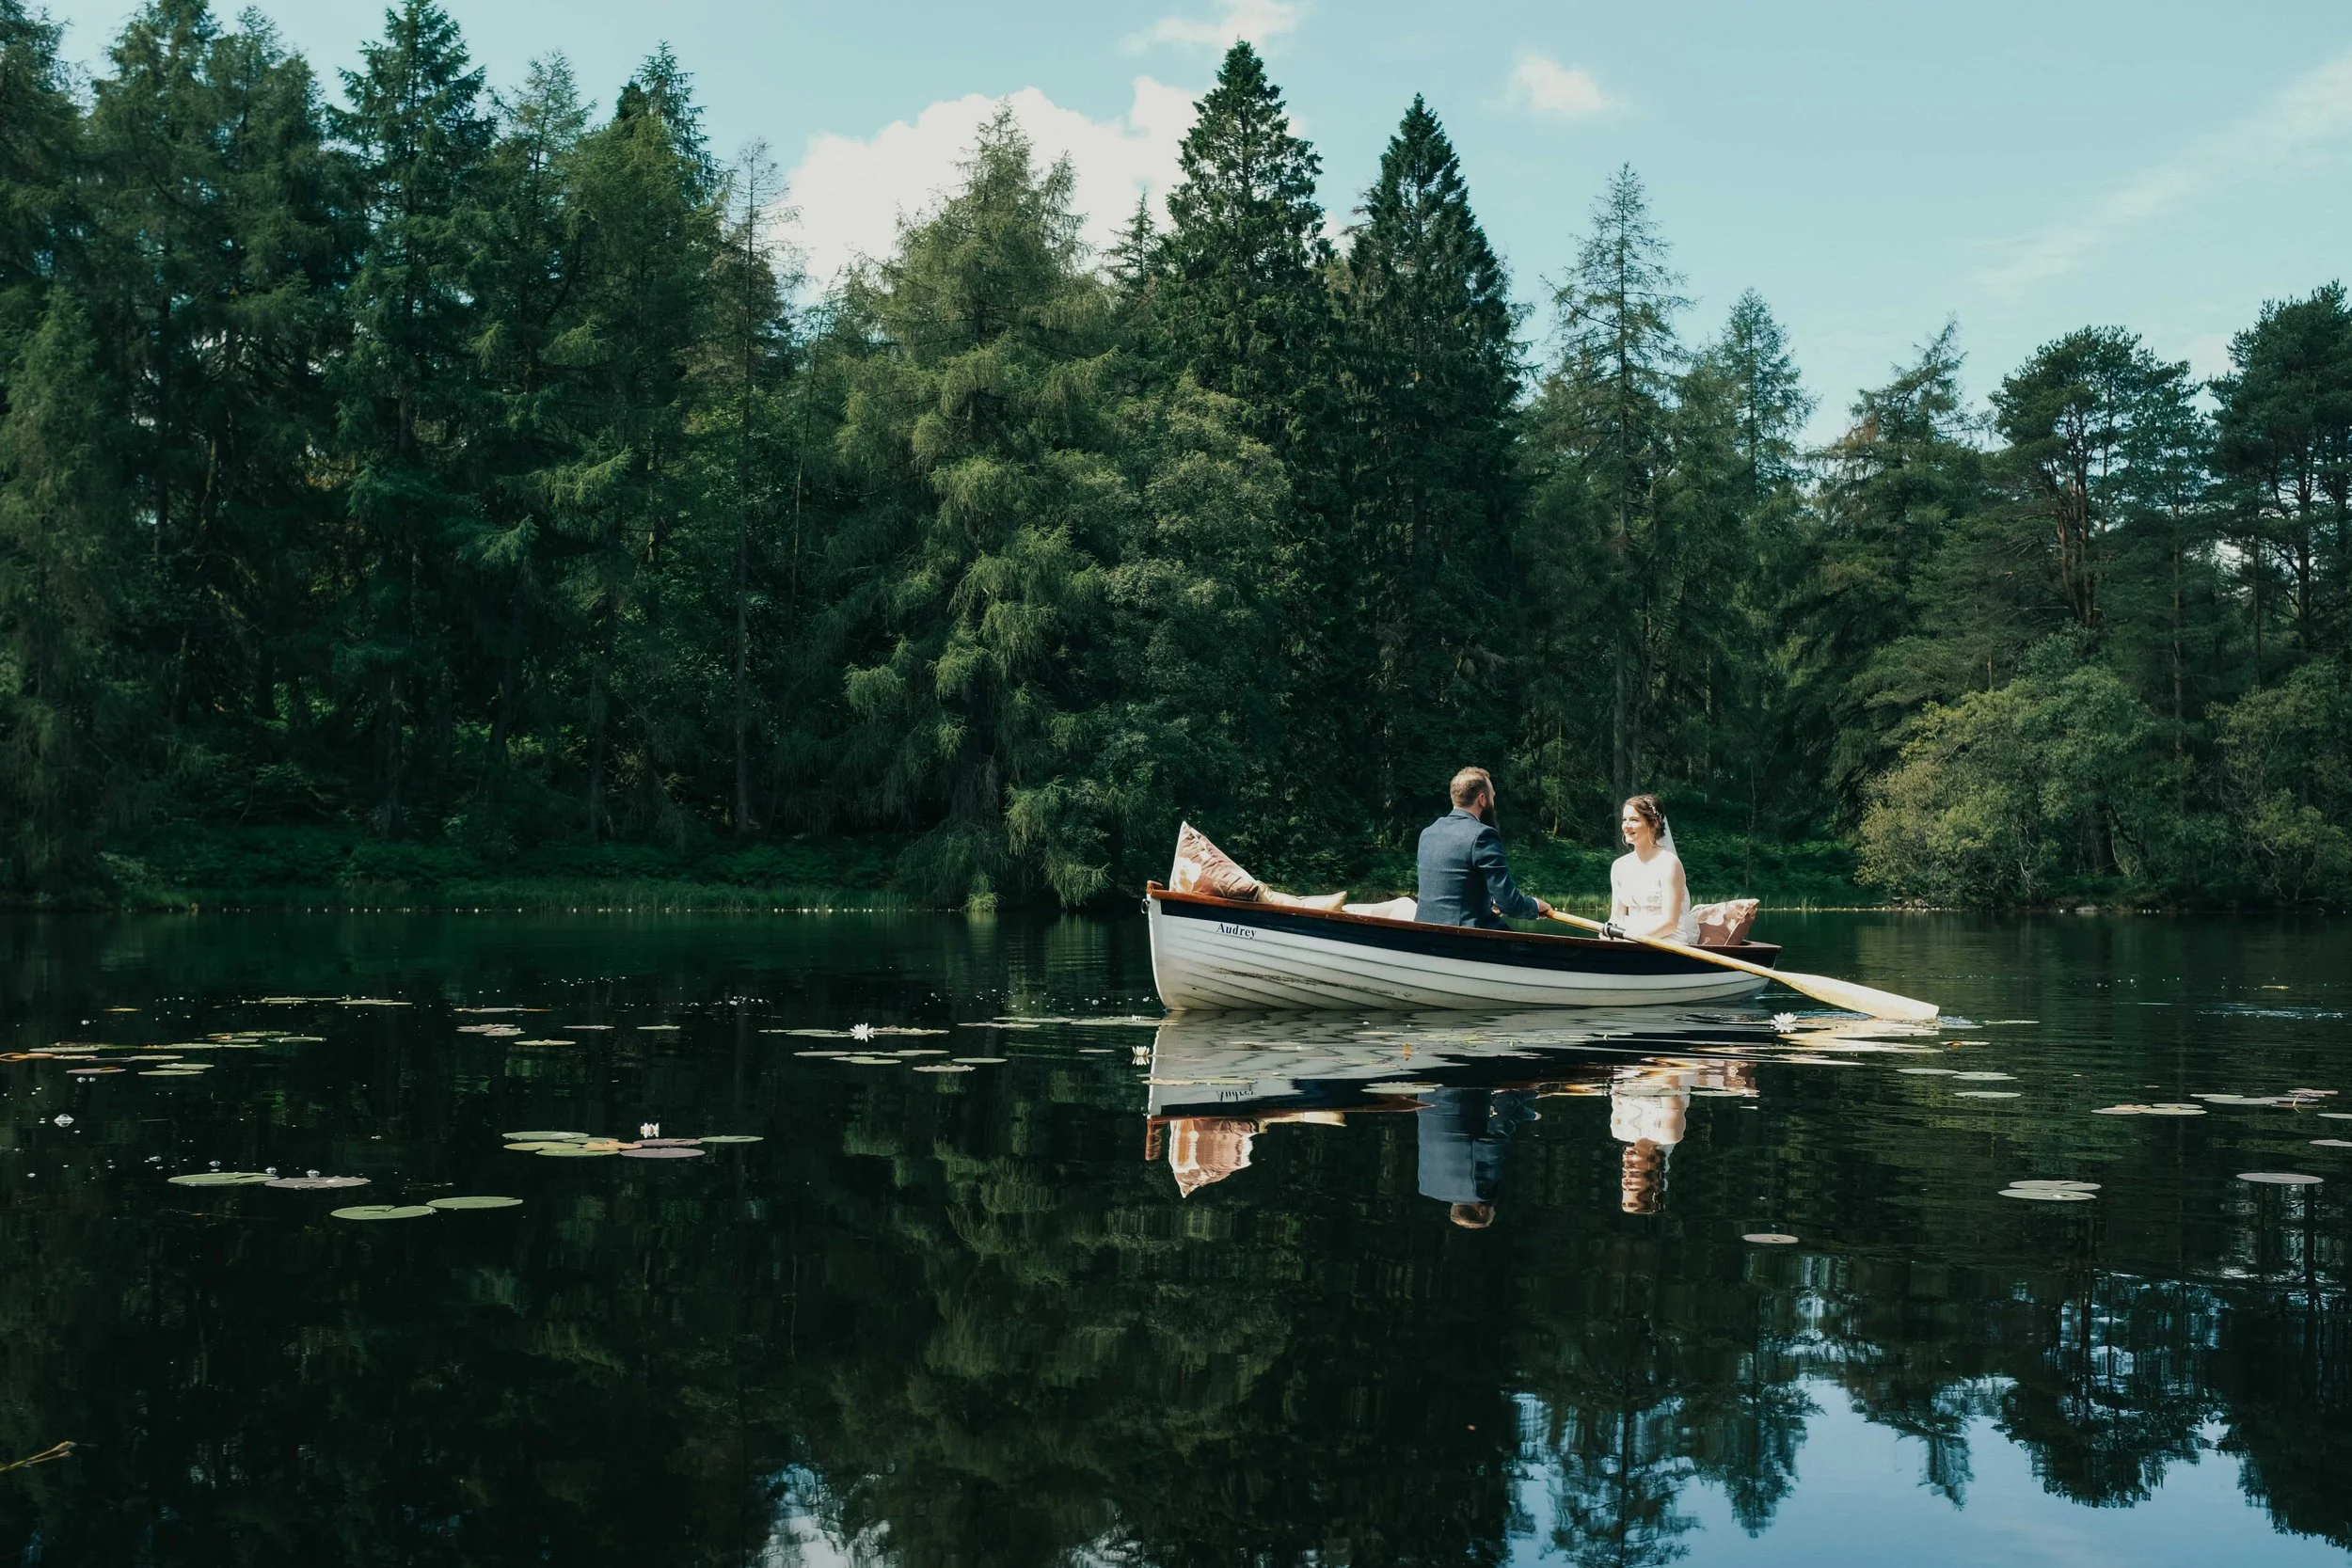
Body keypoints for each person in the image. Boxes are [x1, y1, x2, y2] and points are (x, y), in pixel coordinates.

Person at [1415, 768, 1552, 928]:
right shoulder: (1483, 835)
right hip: (1463, 937)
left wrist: (1489, 901)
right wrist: (1535, 906)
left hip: (1423, 931)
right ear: (1482, 799)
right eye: (1492, 797)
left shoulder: (1428, 833)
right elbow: (1510, 904)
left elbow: (1453, 890)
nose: (1493, 803)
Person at [1416, 1086, 1538, 1228]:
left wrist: (1524, 1094)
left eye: (1493, 1210)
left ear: (1481, 1211)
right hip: (1426, 1094)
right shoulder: (1428, 1185)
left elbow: (1497, 1134)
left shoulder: (1481, 1190)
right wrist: (1529, 1114)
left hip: (1464, 1091)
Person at [1609, 793, 1698, 943]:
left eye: (1634, 820)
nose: (1626, 826)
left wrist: (1632, 938)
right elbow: (1616, 917)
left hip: (1667, 938)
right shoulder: (1619, 866)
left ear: (1654, 823)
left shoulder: (1669, 864)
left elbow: (1670, 924)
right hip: (1627, 935)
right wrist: (1609, 932)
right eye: (1625, 819)